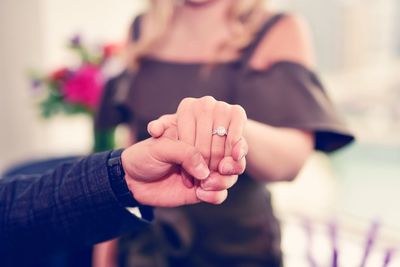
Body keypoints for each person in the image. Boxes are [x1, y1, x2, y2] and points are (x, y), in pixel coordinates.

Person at [95, 0, 355, 266]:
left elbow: (290, 163)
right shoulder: (142, 30)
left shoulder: (278, 29)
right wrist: (103, 253)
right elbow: (125, 157)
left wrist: (231, 127)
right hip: (145, 246)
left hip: (236, 248)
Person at [0, 106, 247, 266]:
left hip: (232, 233)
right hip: (147, 240)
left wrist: (123, 179)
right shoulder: (142, 32)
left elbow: (14, 209)